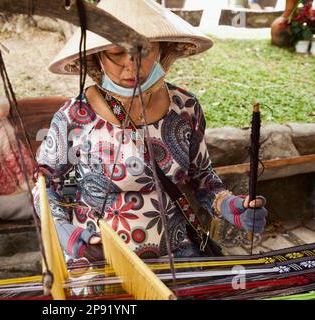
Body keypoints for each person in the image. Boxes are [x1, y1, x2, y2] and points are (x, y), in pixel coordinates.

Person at [33, 0, 268, 262]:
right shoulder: (76, 115)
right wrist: (66, 233)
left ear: (161, 49)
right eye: (116, 52)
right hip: (100, 258)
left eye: (143, 51)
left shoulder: (185, 108)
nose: (131, 65)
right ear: (96, 55)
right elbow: (45, 183)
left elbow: (201, 177)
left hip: (177, 256)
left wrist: (229, 205)